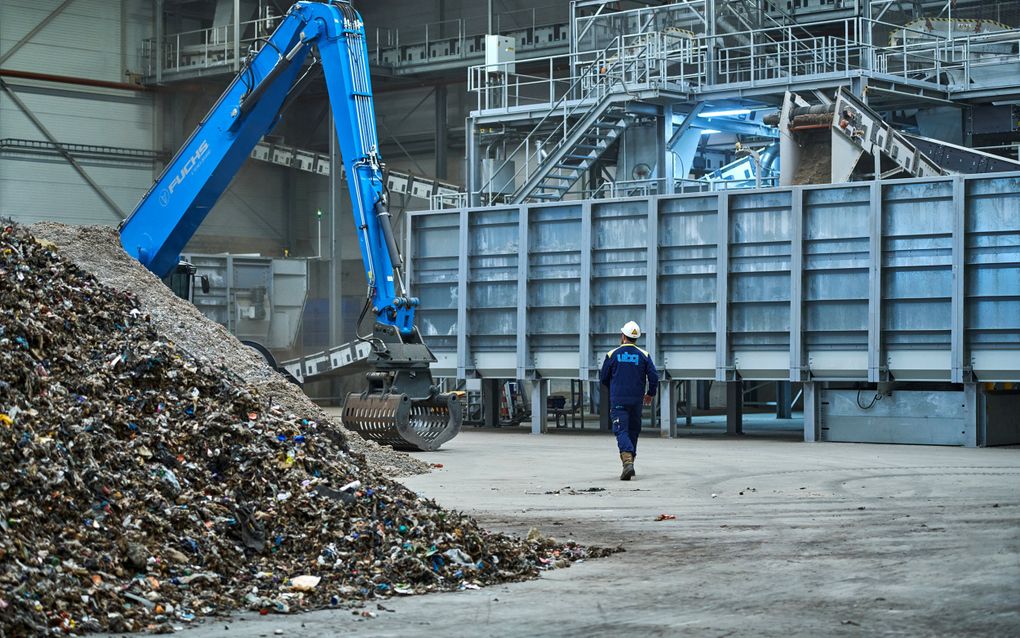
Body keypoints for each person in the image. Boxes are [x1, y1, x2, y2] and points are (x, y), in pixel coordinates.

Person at [599, 321, 659, 480]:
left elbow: (603, 378)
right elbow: (654, 377)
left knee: (621, 430)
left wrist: (614, 388)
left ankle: (627, 462)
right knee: (633, 430)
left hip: (618, 400)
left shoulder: (612, 354)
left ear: (623, 336)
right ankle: (630, 463)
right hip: (636, 401)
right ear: (636, 338)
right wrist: (650, 393)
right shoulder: (644, 355)